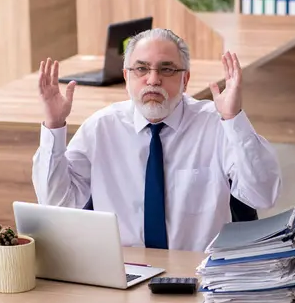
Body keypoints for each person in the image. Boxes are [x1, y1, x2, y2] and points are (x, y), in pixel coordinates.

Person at [32, 28, 281, 252]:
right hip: (124, 271)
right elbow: (57, 203)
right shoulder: (101, 128)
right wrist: (53, 125)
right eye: (141, 69)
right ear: (126, 77)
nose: (153, 80)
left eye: (167, 69)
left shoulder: (215, 124)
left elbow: (262, 195)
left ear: (185, 79)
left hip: (199, 272)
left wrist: (233, 118)